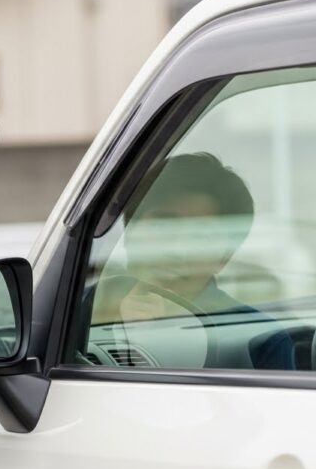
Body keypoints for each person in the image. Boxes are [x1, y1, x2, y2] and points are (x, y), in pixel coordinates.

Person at [98, 152, 294, 370]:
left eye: (200, 237)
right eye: (164, 225)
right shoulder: (78, 309)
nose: (177, 249)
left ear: (224, 258)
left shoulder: (260, 340)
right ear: (129, 231)